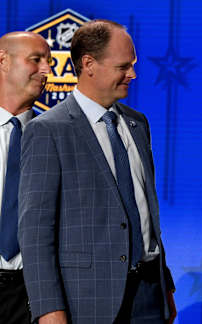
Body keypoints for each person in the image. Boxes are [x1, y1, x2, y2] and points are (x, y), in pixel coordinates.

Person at [18, 20, 176, 324]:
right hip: (87, 301)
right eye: (123, 66)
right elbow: (35, 234)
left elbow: (145, 213)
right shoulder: (48, 130)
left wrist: (165, 286)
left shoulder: (137, 124)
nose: (133, 74)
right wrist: (48, 310)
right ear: (89, 64)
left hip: (149, 295)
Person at [0, 31, 51, 324]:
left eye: (48, 61)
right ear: (3, 61)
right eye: (36, 60)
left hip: (34, 293)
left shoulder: (59, 136)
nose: (46, 69)